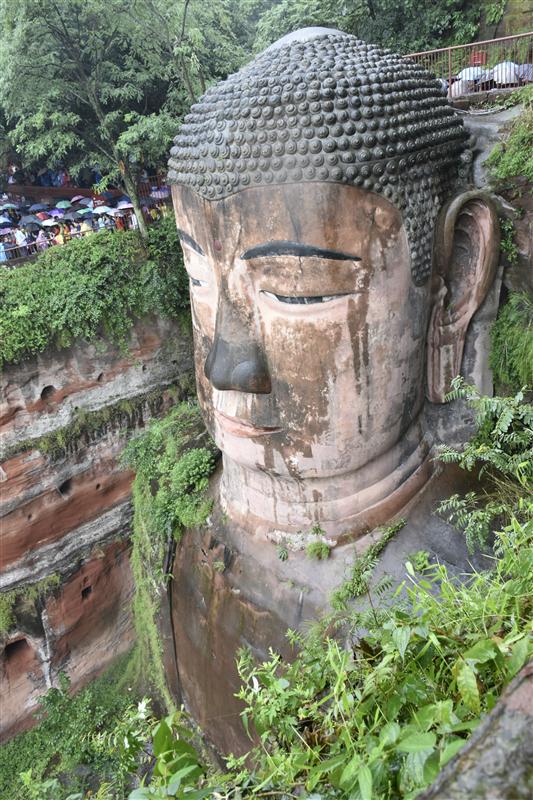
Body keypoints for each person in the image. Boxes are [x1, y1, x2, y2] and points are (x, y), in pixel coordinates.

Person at [168, 27, 499, 538]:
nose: (225, 369)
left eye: (298, 291)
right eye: (197, 279)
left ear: (454, 279)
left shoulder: (474, 574)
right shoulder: (182, 525)